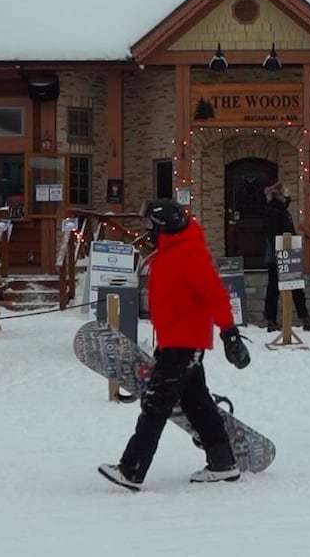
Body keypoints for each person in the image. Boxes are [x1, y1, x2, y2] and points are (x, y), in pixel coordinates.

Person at [98, 198, 252, 491]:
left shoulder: (189, 252)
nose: (146, 230)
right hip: (176, 340)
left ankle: (131, 470)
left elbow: (215, 294)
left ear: (164, 225)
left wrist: (229, 332)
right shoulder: (168, 252)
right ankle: (223, 464)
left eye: (149, 225)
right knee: (197, 405)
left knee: (156, 405)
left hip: (184, 342)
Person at [262, 181, 310, 332]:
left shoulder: (282, 211)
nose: (288, 196)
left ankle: (301, 317)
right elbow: (274, 234)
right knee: (278, 287)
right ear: (279, 195)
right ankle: (274, 320)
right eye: (285, 193)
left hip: (288, 251)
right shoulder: (274, 211)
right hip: (279, 253)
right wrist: (283, 248)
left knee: (293, 285)